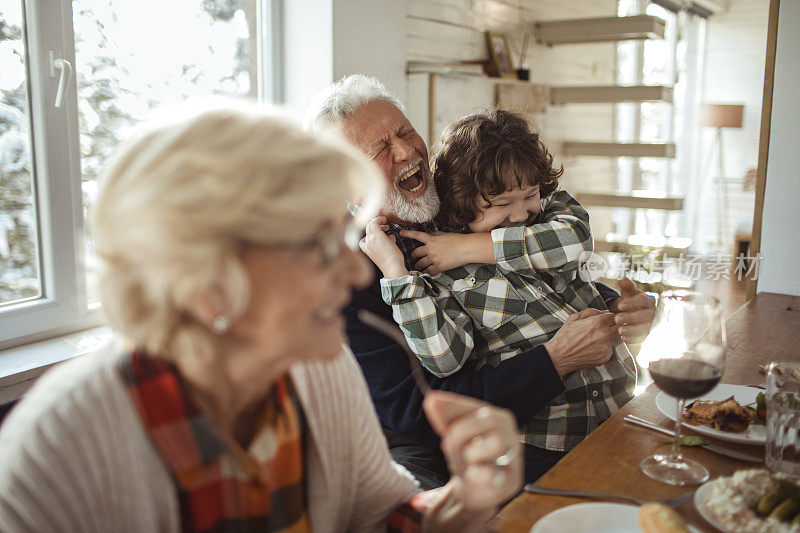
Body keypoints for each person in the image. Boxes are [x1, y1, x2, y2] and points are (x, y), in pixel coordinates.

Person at [0, 106, 523, 532]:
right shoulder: (56, 454)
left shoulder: (322, 370)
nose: (354, 272)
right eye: (319, 247)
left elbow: (379, 513)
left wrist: (459, 507)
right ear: (208, 287)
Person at [306, 75, 656, 486]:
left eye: (404, 131)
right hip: (441, 439)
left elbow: (549, 272)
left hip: (595, 403)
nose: (405, 151)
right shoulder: (346, 278)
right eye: (380, 149)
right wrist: (555, 360)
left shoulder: (456, 186)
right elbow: (419, 411)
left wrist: (615, 307)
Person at [361, 108, 636, 464]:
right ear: (461, 201)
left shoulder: (548, 212)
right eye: (503, 204)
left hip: (621, 408)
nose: (521, 215)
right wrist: (398, 278)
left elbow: (576, 242)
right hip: (544, 444)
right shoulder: (438, 271)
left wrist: (471, 247)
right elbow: (444, 359)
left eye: (530, 194)